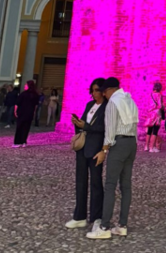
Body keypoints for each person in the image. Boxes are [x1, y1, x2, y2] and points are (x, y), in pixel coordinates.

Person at [87, 77, 139, 240]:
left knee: (110, 185)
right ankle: (122, 225)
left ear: (109, 90)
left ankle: (104, 226)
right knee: (126, 186)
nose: (103, 94)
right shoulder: (130, 100)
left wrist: (104, 149)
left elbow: (110, 131)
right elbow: (136, 124)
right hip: (132, 143)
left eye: (103, 91)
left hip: (119, 144)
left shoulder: (112, 104)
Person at [68, 78, 107, 230]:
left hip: (96, 148)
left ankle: (97, 216)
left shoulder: (107, 108)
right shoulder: (89, 105)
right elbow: (85, 124)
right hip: (83, 147)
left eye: (97, 90)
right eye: (93, 90)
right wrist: (78, 124)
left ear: (103, 91)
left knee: (96, 183)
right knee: (80, 181)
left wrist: (87, 126)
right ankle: (80, 216)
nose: (94, 93)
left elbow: (103, 128)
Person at [12, 80, 40, 147]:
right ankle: (24, 141)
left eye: (26, 85)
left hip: (22, 112)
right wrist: (33, 112)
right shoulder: (35, 95)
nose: (24, 86)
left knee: (19, 127)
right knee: (26, 128)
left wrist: (15, 111)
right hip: (29, 113)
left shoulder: (23, 94)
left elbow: (17, 103)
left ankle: (17, 142)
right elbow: (36, 105)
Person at [145, 82, 164, 153]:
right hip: (156, 114)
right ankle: (151, 148)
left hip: (150, 114)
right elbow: (160, 106)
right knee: (155, 131)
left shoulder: (150, 94)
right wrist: (163, 106)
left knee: (149, 130)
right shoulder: (159, 95)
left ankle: (146, 146)